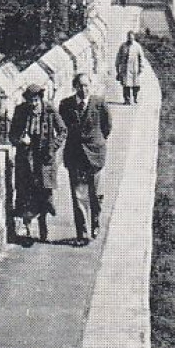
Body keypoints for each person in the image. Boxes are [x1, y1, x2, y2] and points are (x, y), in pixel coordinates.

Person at [59, 73, 112, 244]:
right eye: (80, 86)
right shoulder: (66, 105)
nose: (83, 89)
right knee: (79, 196)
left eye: (86, 85)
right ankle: (82, 234)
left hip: (95, 154)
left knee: (95, 194)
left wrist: (97, 142)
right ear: (75, 86)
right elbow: (63, 128)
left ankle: (95, 221)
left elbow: (107, 126)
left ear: (91, 86)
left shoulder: (99, 103)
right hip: (75, 156)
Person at [9, 81, 64, 242]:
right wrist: (20, 140)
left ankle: (43, 222)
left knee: (44, 193)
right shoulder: (20, 111)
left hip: (44, 158)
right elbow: (12, 135)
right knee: (26, 194)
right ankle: (27, 228)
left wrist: (52, 147)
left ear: (40, 99)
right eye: (30, 101)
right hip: (26, 159)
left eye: (35, 100)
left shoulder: (49, 110)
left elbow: (62, 131)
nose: (33, 104)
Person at [115, 31, 145, 105]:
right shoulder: (123, 46)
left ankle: (135, 98)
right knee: (126, 86)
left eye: (131, 38)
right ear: (127, 37)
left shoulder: (137, 46)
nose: (130, 39)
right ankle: (127, 100)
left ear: (133, 38)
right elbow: (118, 57)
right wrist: (117, 67)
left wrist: (141, 67)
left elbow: (141, 58)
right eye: (129, 38)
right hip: (125, 69)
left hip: (135, 69)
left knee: (136, 86)